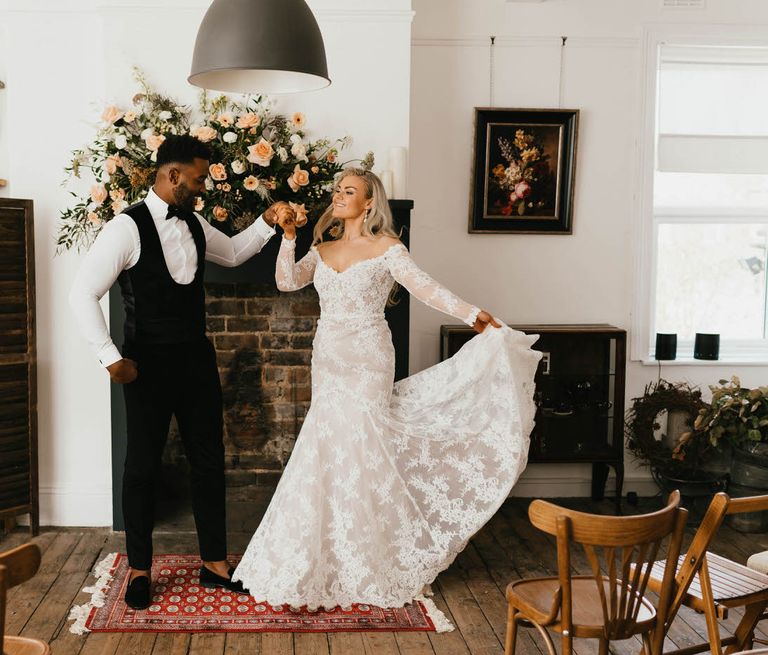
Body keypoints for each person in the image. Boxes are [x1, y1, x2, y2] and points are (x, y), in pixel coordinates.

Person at [232, 168, 542, 612]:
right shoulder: (321, 249)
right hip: (328, 357)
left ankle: (373, 560)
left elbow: (425, 288)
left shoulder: (388, 249)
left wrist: (470, 313)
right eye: (337, 190)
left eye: (349, 191)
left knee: (364, 446)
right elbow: (286, 282)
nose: (339, 196)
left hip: (367, 359)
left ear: (369, 202)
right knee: (327, 446)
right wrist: (286, 236)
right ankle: (323, 560)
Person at [69, 134, 294, 610]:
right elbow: (80, 294)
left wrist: (268, 221)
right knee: (142, 466)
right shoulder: (125, 228)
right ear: (173, 176)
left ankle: (214, 564)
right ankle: (140, 569)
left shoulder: (193, 222)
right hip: (145, 364)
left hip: (195, 358)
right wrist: (110, 357)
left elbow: (233, 253)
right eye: (195, 179)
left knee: (209, 459)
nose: (201, 188)